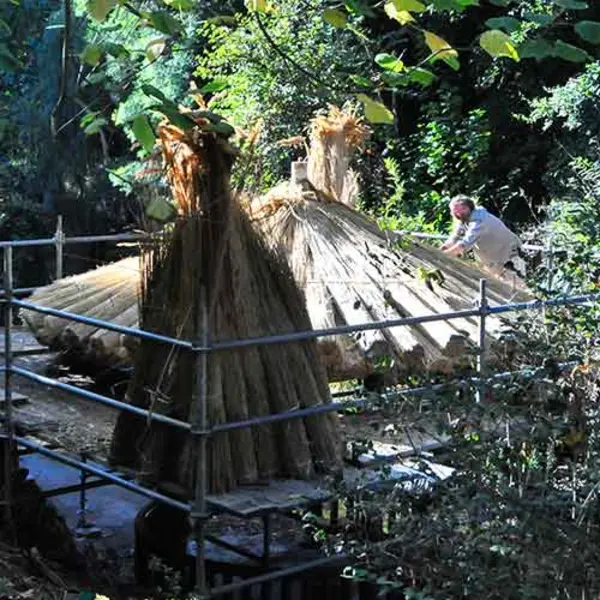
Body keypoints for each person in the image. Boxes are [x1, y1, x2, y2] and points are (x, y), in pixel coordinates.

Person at [440, 195, 525, 280]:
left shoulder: (479, 222)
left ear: (466, 208)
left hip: (509, 255)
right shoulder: (466, 218)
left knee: (514, 285)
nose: (453, 214)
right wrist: (442, 249)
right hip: (494, 259)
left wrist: (441, 257)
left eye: (455, 211)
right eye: (453, 211)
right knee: (494, 283)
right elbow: (455, 237)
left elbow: (463, 245)